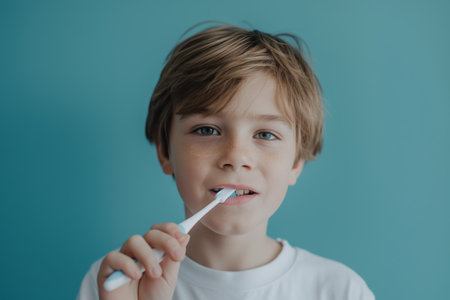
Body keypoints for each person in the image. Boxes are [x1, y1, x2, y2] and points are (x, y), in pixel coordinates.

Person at [77, 24, 375, 300]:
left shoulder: (339, 290)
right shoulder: (118, 282)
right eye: (207, 130)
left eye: (265, 134)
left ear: (296, 163)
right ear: (165, 153)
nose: (235, 156)